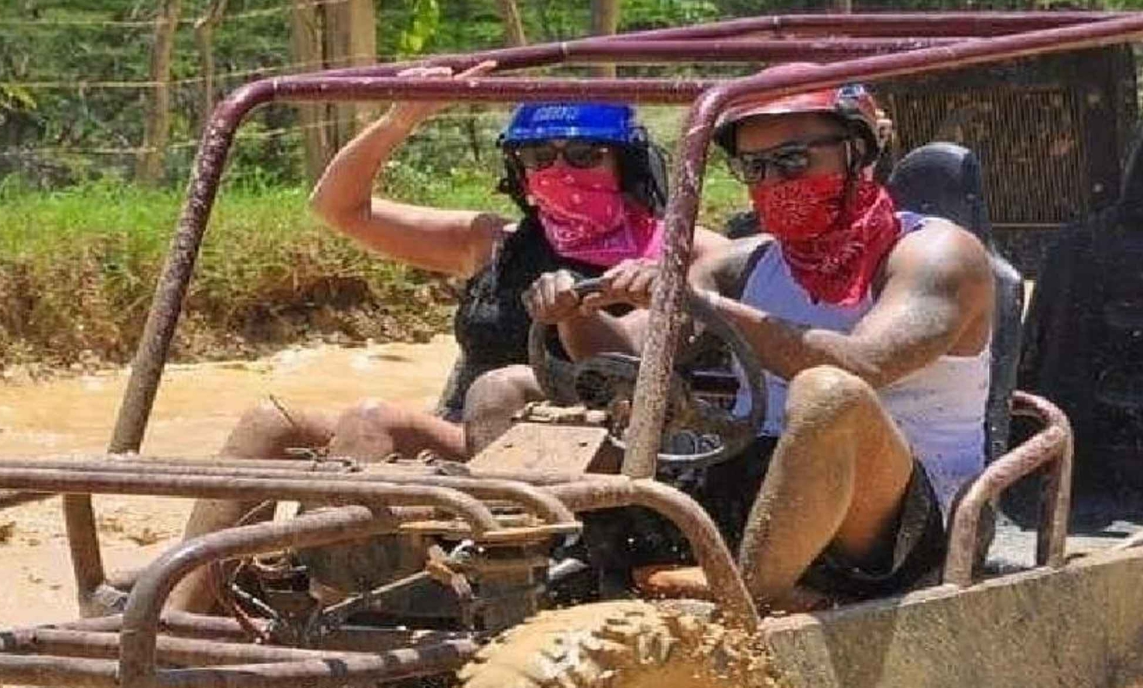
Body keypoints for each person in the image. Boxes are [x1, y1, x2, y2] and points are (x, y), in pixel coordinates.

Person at [167, 72, 682, 612]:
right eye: (539, 157)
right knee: (271, 423)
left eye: (583, 154)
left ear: (626, 163)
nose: (560, 171)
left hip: (588, 447)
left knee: (376, 420)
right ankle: (181, 616)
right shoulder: (494, 243)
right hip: (467, 434)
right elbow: (340, 208)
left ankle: (328, 615)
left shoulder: (675, 251)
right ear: (519, 169)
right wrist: (399, 120)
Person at [519, 73, 994, 615]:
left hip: (899, 520)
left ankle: (746, 604)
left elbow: (866, 364)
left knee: (829, 394)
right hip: (751, 480)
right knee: (506, 389)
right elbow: (629, 360)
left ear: (858, 151)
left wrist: (707, 305)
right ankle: (516, 585)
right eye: (756, 168)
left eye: (793, 161)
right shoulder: (742, 264)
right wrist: (573, 315)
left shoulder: (936, 254)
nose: (774, 183)